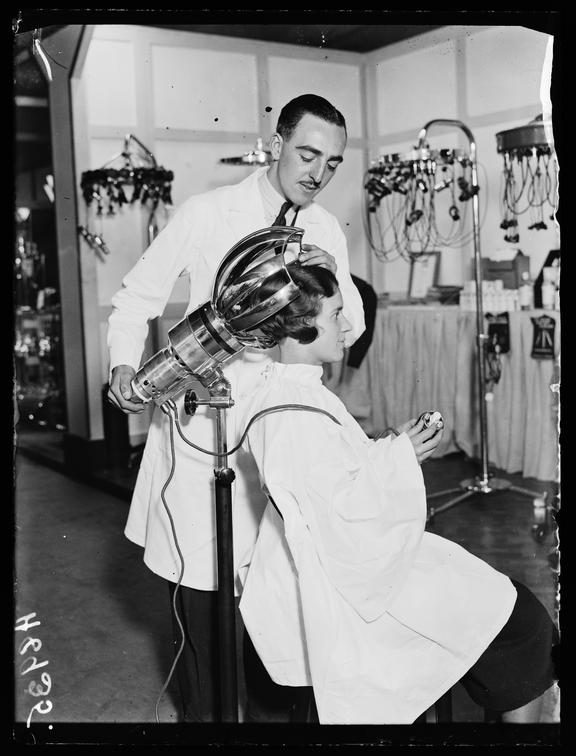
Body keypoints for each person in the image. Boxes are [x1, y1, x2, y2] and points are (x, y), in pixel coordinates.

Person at [106, 94, 366, 722]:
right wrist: (122, 365)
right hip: (209, 436)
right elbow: (136, 297)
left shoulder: (326, 228)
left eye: (332, 163)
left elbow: (348, 329)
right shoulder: (208, 213)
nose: (318, 172)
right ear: (275, 143)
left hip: (286, 436)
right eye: (307, 154)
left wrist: (335, 273)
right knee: (207, 616)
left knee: (294, 612)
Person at [237, 263, 559, 725]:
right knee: (524, 625)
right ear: (297, 327)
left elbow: (330, 480)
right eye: (335, 315)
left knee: (508, 606)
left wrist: (390, 449)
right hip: (349, 584)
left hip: (345, 565)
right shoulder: (293, 411)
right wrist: (397, 458)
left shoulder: (288, 389)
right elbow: (342, 519)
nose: (348, 326)